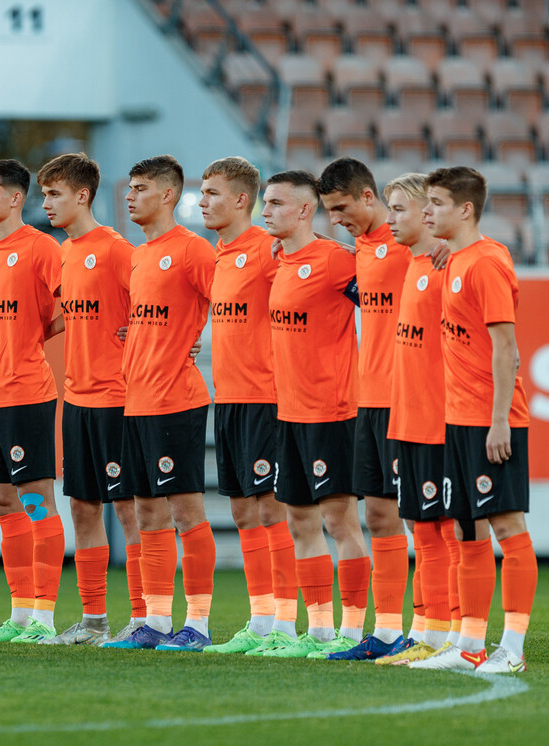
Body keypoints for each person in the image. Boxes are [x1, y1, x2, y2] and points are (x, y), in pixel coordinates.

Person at [410, 166, 537, 674]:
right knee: (467, 531)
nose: (426, 212)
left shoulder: (485, 264)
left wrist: (500, 419)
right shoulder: (460, 258)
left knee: (507, 526)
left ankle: (514, 647)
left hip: (490, 420)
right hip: (455, 420)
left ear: (465, 209)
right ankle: (469, 646)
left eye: (436, 203)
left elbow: (506, 347)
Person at [103, 155, 217, 652]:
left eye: (141, 188)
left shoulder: (192, 250)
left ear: (168, 195)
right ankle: (155, 620)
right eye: (129, 188)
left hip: (177, 399)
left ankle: (199, 624)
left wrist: (194, 341)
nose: (130, 196)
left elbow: (235, 303)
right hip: (137, 400)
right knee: (147, 514)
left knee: (186, 512)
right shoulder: (139, 254)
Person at [33, 153, 146, 646]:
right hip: (75, 398)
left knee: (129, 511)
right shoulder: (64, 252)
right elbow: (64, 316)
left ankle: (145, 617)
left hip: (118, 398)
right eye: (44, 194)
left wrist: (178, 336)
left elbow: (155, 307)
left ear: (82, 196)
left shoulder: (117, 250)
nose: (47, 204)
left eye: (54, 194)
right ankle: (95, 620)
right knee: (83, 508)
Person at [258, 170, 369, 659]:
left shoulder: (334, 262)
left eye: (277, 203)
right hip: (289, 413)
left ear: (305, 210)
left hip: (333, 411)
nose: (266, 211)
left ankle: (355, 628)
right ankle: (319, 630)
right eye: (265, 202)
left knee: (340, 522)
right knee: (301, 522)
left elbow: (387, 297)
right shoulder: (279, 260)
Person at [0, 158, 66, 643]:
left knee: (37, 501)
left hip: (27, 393)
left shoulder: (42, 247)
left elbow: (70, 307)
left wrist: (31, 339)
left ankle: (43, 615)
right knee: (3, 501)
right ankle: (20, 615)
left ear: (15, 198)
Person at [194, 157, 300, 656]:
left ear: (242, 200)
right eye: (201, 191)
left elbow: (322, 271)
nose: (202, 201)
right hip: (229, 399)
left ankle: (287, 622)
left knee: (271, 509)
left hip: (266, 398)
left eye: (212, 192)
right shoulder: (216, 254)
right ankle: (260, 622)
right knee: (241, 510)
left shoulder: (267, 249)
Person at [315, 157, 411, 660]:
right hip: (366, 401)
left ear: (368, 197)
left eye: (341, 207)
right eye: (329, 210)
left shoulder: (410, 249)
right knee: (377, 513)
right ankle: (391, 632)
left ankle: (454, 628)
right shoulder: (362, 253)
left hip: (407, 399)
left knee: (430, 517)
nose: (335, 219)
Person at [372, 172, 463, 665]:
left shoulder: (452, 266)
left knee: (445, 529)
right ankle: (427, 632)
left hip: (440, 420)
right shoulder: (410, 264)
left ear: (428, 213)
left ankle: (456, 634)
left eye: (399, 210)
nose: (391, 220)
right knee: (421, 529)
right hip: (405, 419)